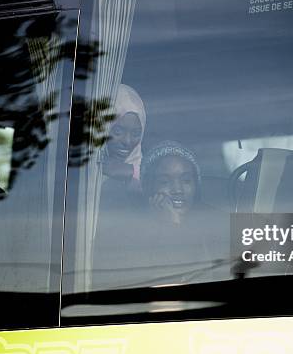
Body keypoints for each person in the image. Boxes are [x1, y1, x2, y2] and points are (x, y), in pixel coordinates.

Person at [92, 141, 230, 289]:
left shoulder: (221, 224)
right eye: (164, 181)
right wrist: (171, 227)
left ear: (196, 185)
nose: (177, 189)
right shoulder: (126, 234)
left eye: (186, 180)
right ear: (148, 188)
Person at [101, 84, 146, 191]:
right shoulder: (81, 170)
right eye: (118, 131)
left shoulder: (149, 173)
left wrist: (133, 172)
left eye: (135, 134)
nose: (127, 141)